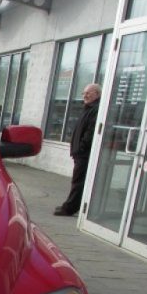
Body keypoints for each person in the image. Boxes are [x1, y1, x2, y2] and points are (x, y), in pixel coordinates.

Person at [55, 83, 101, 216]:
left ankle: (69, 208)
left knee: (78, 181)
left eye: (88, 93)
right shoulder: (88, 108)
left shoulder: (96, 110)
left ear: (97, 94)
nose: (84, 96)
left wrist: (81, 148)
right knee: (79, 180)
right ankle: (73, 205)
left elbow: (91, 133)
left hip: (84, 154)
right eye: (83, 93)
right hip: (80, 153)